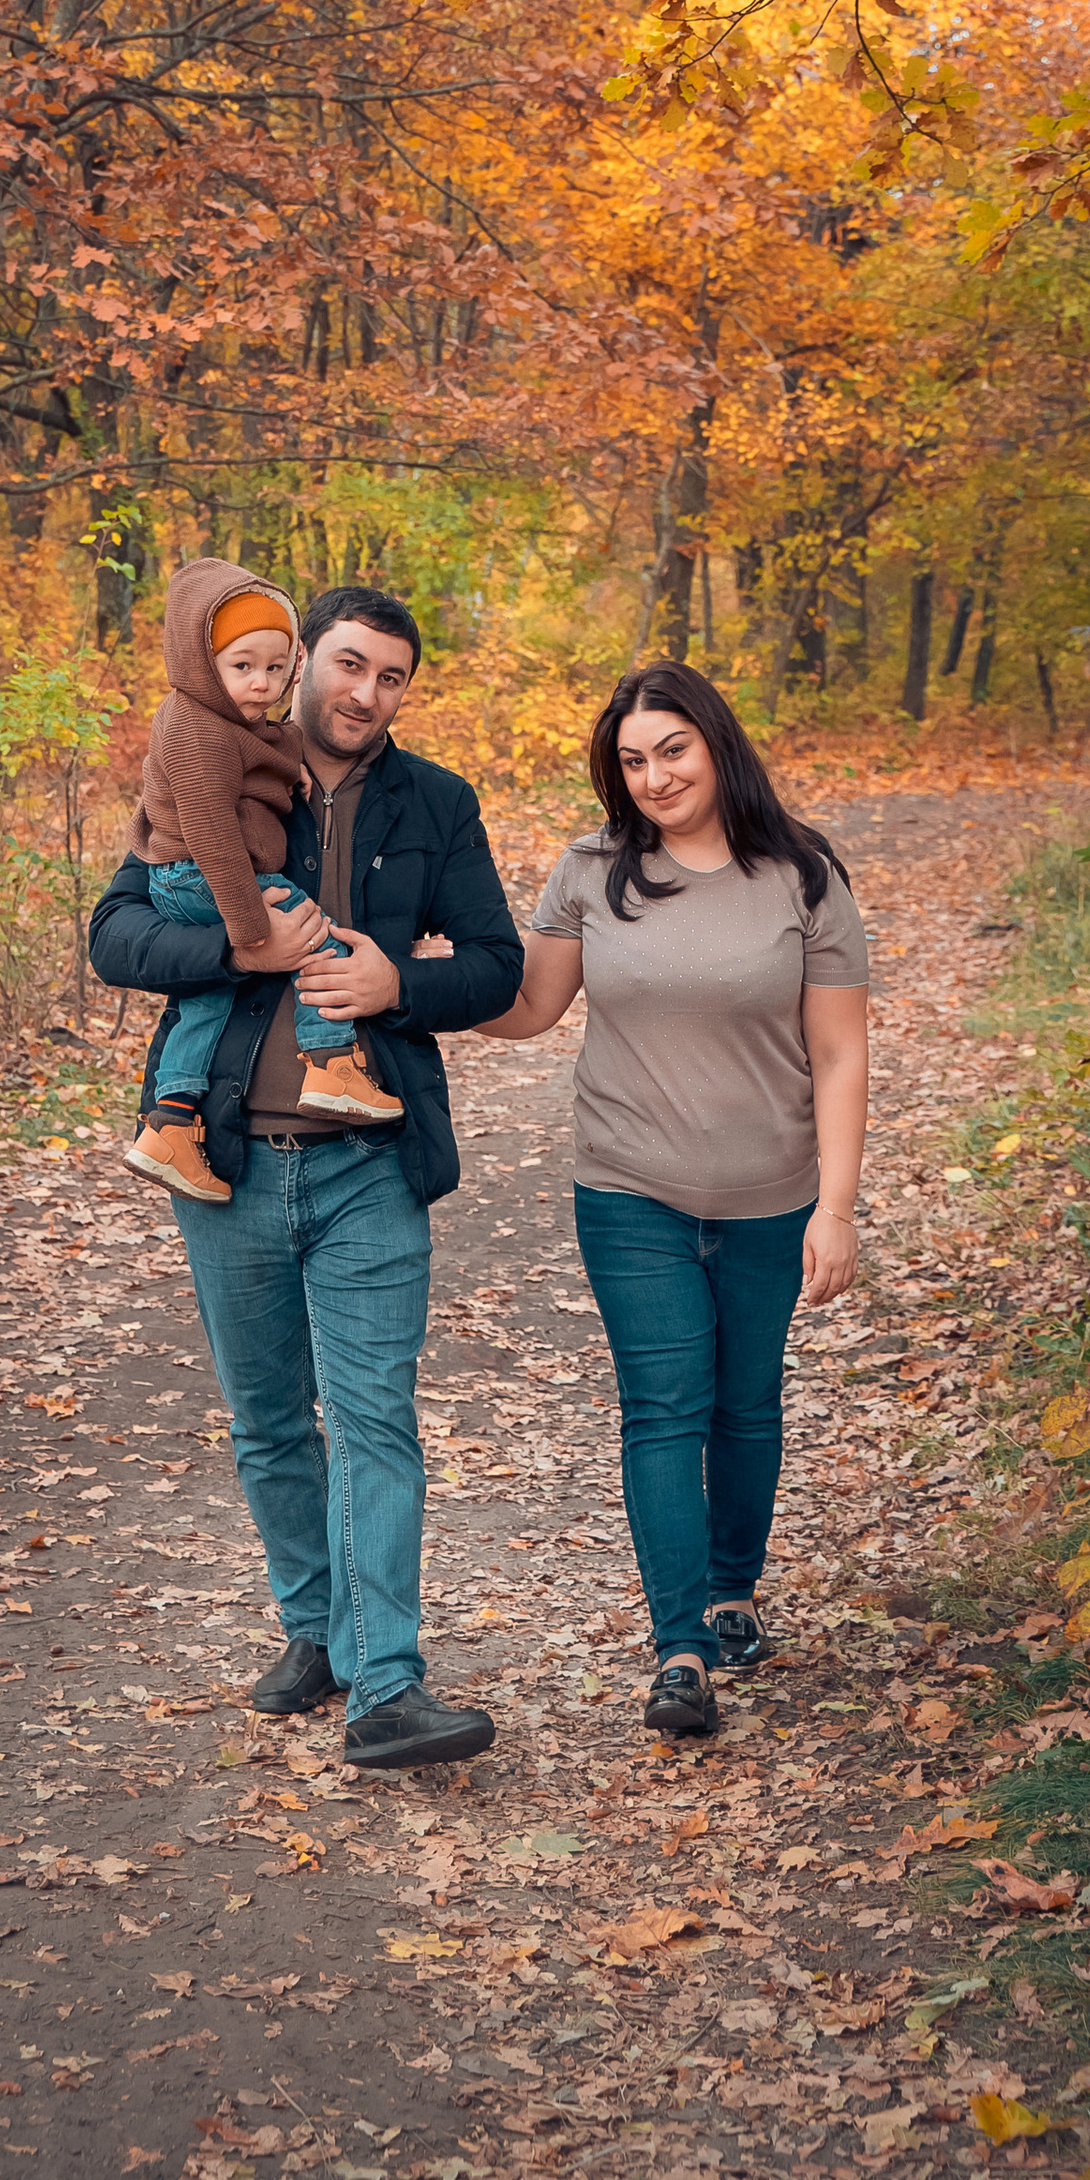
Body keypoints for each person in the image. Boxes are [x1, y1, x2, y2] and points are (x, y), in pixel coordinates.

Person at [88, 580, 523, 1771]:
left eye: (391, 677)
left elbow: (492, 964)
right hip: (226, 1160)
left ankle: (388, 1684)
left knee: (374, 1419)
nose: (364, 694)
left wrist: (400, 986)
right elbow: (113, 936)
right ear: (302, 662)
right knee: (271, 1423)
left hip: (369, 1162)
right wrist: (238, 946)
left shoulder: (437, 804)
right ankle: (315, 1633)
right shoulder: (216, 755)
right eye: (347, 665)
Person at [482, 660, 868, 1743]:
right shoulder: (593, 869)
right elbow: (525, 1007)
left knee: (743, 1401)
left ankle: (733, 1593)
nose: (652, 777)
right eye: (631, 761)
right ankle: (681, 1650)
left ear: (715, 743)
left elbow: (839, 1054)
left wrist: (836, 1207)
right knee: (662, 1406)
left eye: (671, 750)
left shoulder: (800, 876)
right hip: (627, 1187)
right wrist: (409, 985)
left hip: (771, 1193)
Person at [124, 560, 403, 1204]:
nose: (261, 683)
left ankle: (170, 1122)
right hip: (203, 876)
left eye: (276, 669)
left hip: (191, 878)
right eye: (243, 666)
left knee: (205, 1003)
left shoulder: (230, 722)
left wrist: (288, 770)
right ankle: (331, 1063)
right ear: (203, 661)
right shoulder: (192, 725)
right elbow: (215, 834)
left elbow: (259, 750)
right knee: (313, 936)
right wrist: (250, 932)